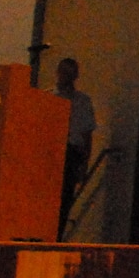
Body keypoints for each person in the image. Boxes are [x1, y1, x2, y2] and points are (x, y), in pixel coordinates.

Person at [53, 59, 97, 241]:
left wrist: (85, 163)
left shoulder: (83, 101)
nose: (66, 77)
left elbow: (87, 135)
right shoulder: (49, 98)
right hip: (52, 151)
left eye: (70, 73)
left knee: (64, 199)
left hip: (72, 152)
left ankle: (57, 237)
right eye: (64, 72)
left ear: (76, 76)